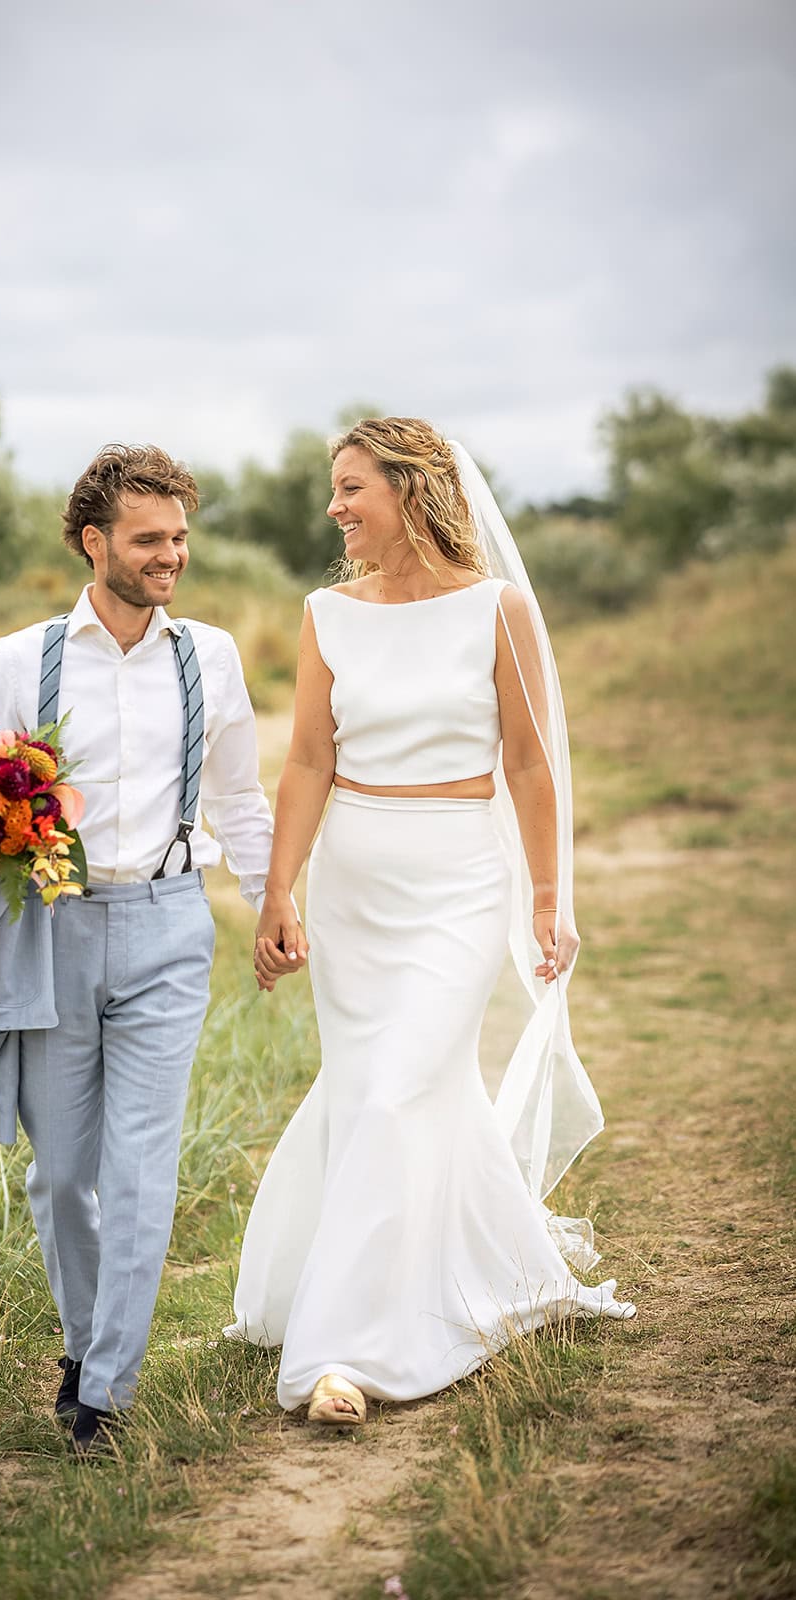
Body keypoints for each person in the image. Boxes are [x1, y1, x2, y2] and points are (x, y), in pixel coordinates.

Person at [0, 444, 298, 1457]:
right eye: (150, 539)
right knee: (61, 1174)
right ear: (93, 541)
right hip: (48, 932)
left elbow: (237, 795)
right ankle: (82, 1340)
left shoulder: (212, 656)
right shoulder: (20, 661)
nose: (171, 556)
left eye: (180, 537)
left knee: (141, 1166)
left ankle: (103, 1387)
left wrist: (271, 898)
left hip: (167, 930)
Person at [227, 418, 635, 1425]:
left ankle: (340, 1351)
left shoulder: (497, 610)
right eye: (332, 487)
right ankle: (445, 1264)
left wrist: (547, 896)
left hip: (458, 879)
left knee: (399, 1085)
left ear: (411, 492)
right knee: (381, 1088)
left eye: (350, 488)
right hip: (354, 885)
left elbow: (530, 763)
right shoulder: (327, 612)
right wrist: (279, 891)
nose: (333, 508)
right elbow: (308, 762)